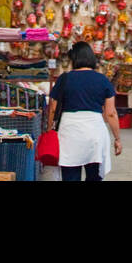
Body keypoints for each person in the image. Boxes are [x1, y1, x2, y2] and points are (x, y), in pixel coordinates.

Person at [47, 42, 121, 181]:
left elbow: (53, 109)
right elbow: (111, 113)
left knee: (70, 175)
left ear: (74, 59)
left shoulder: (64, 79)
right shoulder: (102, 80)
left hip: (69, 132)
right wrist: (117, 139)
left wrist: (49, 130)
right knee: (94, 175)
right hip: (95, 132)